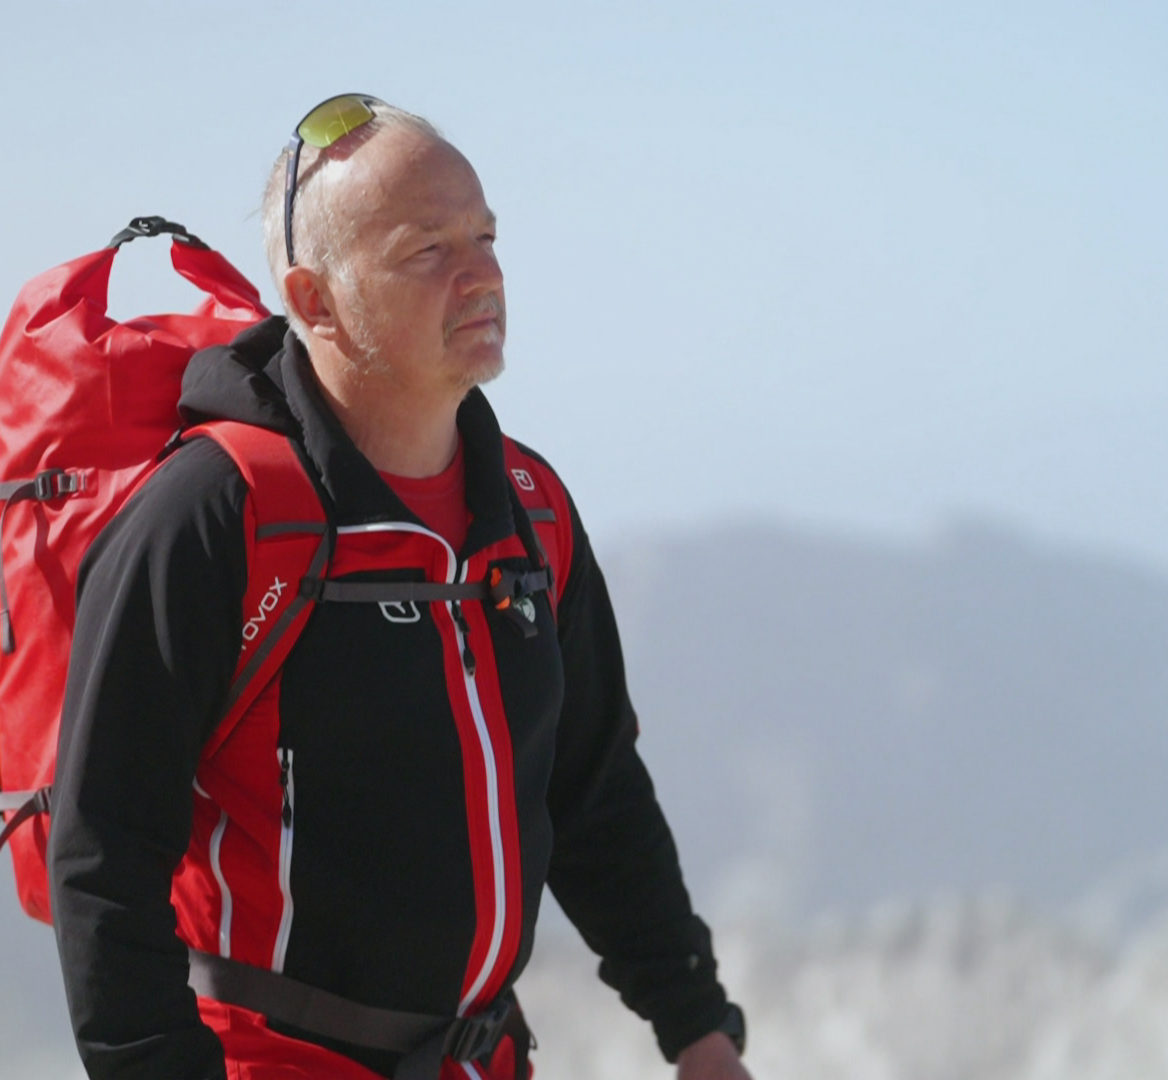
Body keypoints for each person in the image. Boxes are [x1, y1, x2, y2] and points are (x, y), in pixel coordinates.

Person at [47, 94, 751, 1080]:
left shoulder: (530, 508)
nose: (484, 276)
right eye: (429, 250)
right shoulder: (216, 516)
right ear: (317, 299)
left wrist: (697, 1023)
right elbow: (104, 854)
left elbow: (593, 790)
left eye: (486, 236)